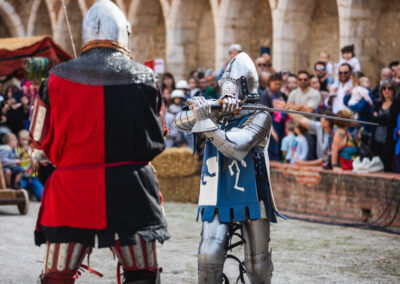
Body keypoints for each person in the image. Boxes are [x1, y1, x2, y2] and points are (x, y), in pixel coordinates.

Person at [29, 1, 169, 283]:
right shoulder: (147, 78)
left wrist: (50, 155)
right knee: (142, 275)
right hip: (132, 190)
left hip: (73, 191)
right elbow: (161, 131)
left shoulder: (55, 80)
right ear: (123, 34)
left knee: (57, 276)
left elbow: (37, 141)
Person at [174, 52, 283, 283]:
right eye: (224, 87)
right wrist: (201, 107)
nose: (226, 92)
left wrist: (206, 122)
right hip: (217, 190)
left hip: (253, 192)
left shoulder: (260, 115)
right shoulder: (218, 113)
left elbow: (236, 147)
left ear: (243, 87)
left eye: (231, 88)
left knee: (258, 266)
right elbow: (179, 122)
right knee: (208, 255)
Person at [371, 80, 395, 172]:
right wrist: (382, 119)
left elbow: (391, 120)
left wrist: (379, 118)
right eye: (384, 88)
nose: (387, 90)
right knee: (376, 166)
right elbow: (373, 119)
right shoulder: (378, 103)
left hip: (388, 140)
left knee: (387, 166)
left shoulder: (395, 104)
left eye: (389, 88)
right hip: (376, 139)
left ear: (393, 90)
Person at [17, 129, 43, 200]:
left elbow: (35, 166)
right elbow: (16, 163)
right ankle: (27, 194)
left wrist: (31, 156)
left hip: (32, 177)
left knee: (42, 196)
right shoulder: (17, 150)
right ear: (19, 140)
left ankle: (33, 193)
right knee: (19, 192)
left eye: (27, 139)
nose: (25, 142)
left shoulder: (32, 149)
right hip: (21, 176)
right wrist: (22, 154)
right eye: (23, 139)